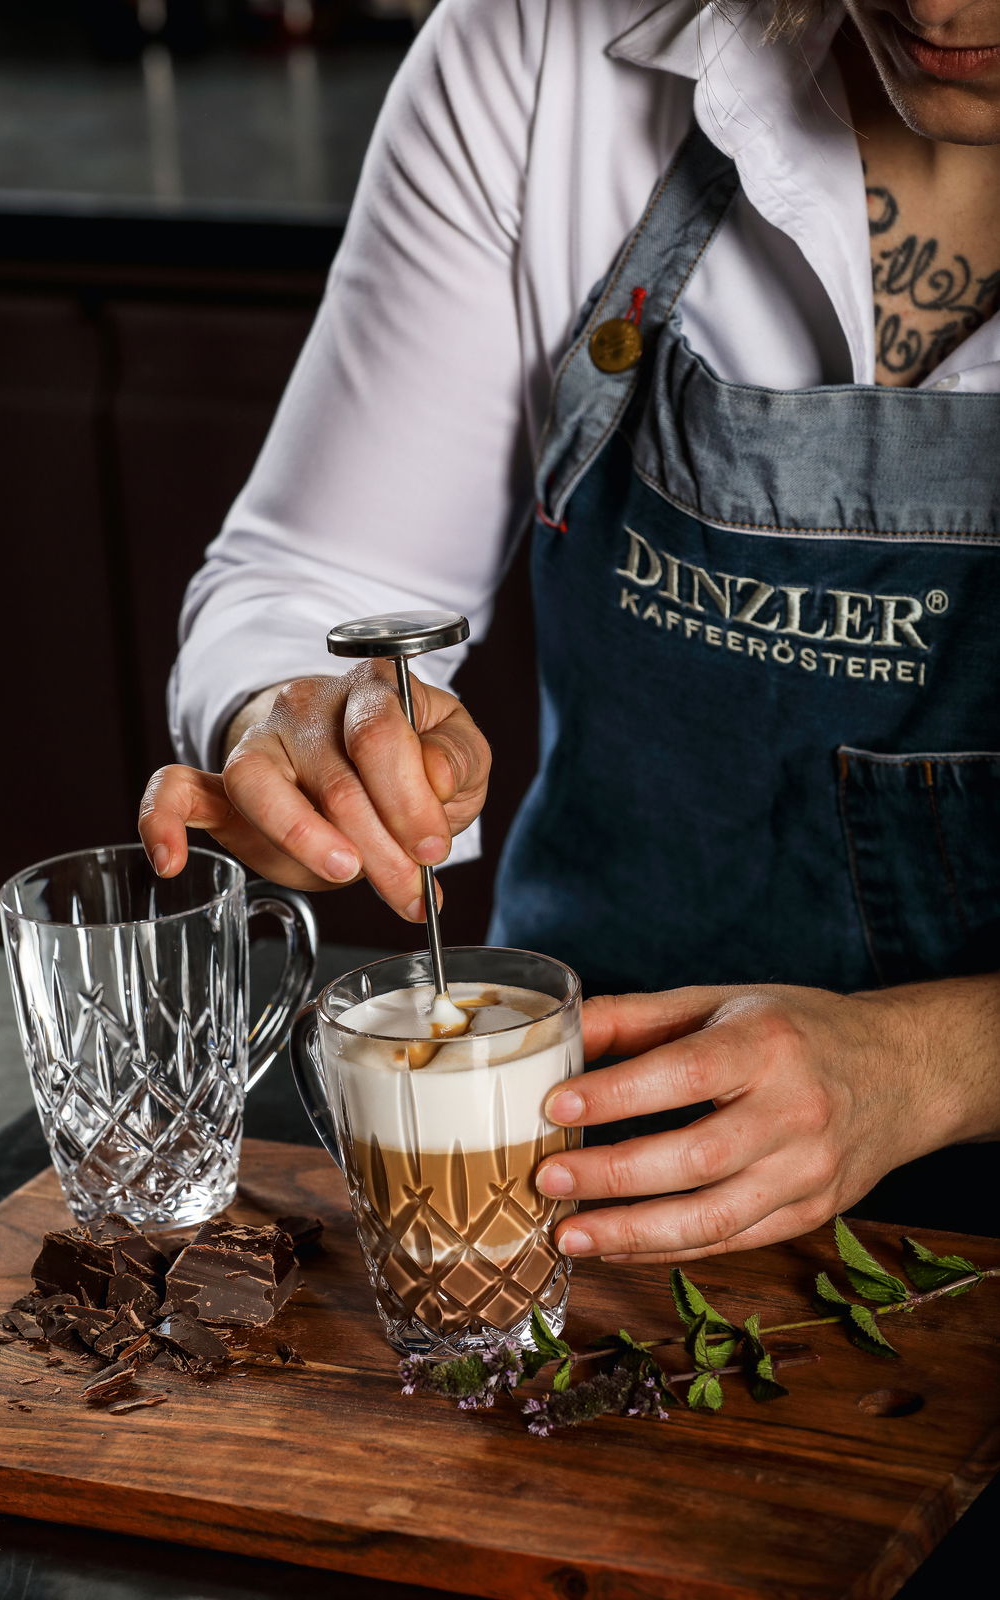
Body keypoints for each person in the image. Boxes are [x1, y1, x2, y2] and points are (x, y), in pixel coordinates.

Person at [139, 0, 1000, 1265]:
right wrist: (302, 722)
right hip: (572, 1184)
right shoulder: (543, 44)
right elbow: (321, 576)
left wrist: (936, 1064)